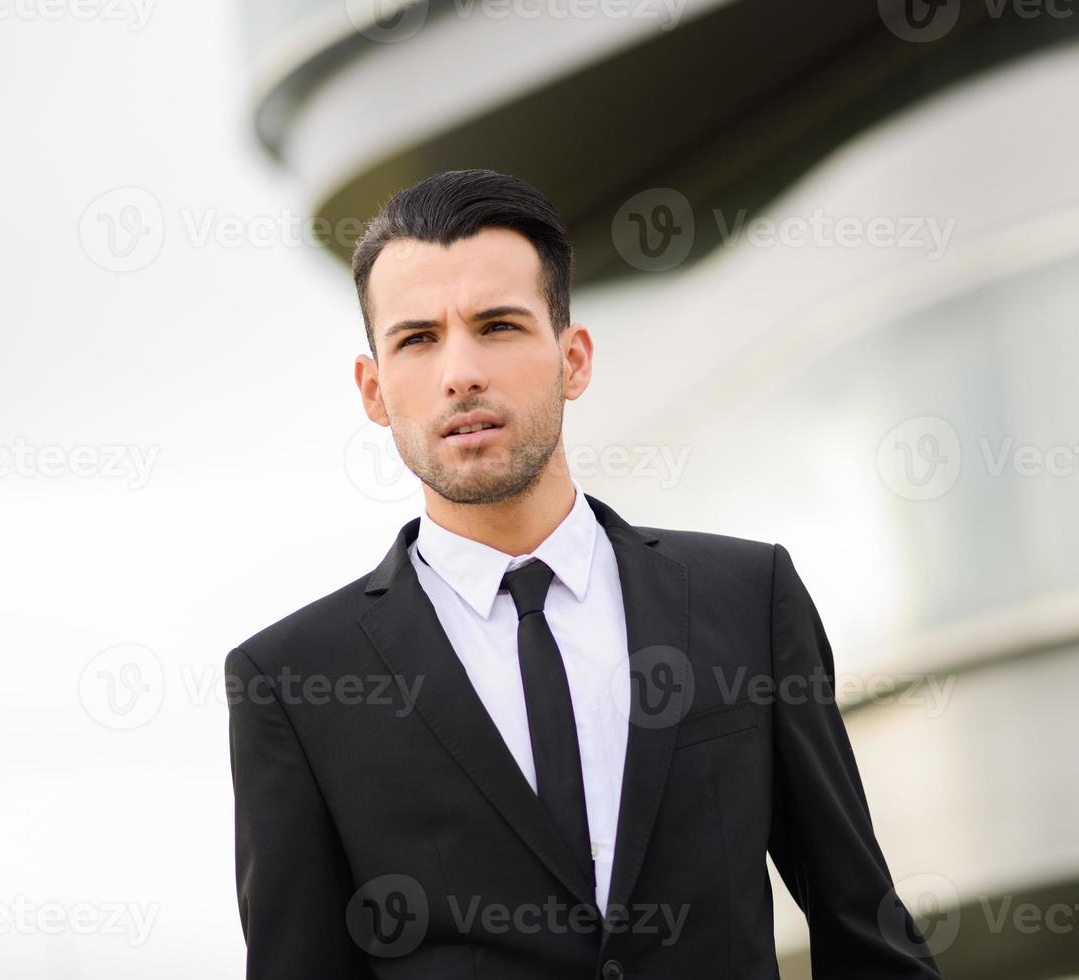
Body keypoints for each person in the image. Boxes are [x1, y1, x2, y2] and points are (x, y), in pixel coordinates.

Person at [224, 169, 943, 979]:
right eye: (417, 339)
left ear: (573, 359)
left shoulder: (747, 600)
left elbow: (865, 931)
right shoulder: (293, 682)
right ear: (373, 388)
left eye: (496, 325)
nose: (460, 371)